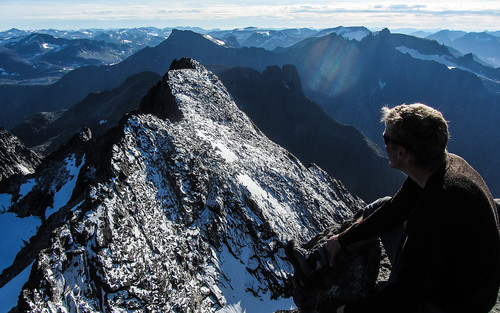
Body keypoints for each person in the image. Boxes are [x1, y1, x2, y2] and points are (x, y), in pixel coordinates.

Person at [288, 103, 500, 312]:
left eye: (386, 139)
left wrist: (347, 310)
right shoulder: (440, 167)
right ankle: (315, 265)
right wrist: (341, 240)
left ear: (402, 153)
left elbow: (405, 295)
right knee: (380, 207)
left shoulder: (436, 208)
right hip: (464, 277)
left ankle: (338, 289)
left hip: (457, 302)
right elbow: (395, 209)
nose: (384, 144)